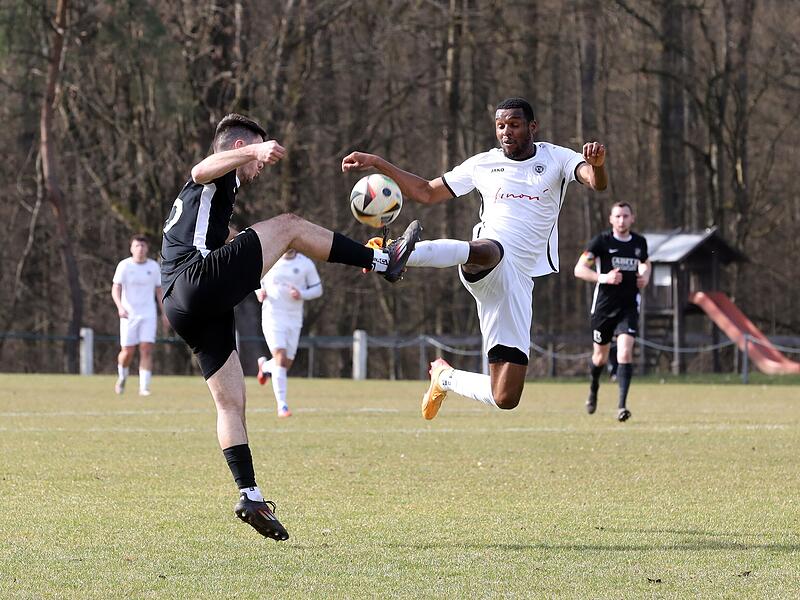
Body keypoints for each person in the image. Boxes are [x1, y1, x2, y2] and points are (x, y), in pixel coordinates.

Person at [161, 113, 421, 542]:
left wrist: (244, 240)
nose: (261, 166)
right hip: (196, 280)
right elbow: (200, 169)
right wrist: (255, 149)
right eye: (256, 155)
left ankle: (250, 495)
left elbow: (222, 236)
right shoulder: (215, 175)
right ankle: (383, 261)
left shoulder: (210, 204)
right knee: (290, 225)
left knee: (231, 404)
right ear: (238, 148)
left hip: (181, 304)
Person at [342, 97, 607, 419]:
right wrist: (377, 162)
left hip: (519, 282)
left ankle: (445, 378)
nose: (506, 132)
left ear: (532, 127)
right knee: (489, 249)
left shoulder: (557, 157)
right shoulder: (482, 164)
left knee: (505, 396)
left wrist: (597, 166)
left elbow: (595, 182)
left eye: (514, 125)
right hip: (486, 259)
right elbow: (426, 192)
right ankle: (395, 254)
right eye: (500, 126)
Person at [573, 201, 650, 421]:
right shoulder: (601, 242)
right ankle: (594, 388)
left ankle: (622, 406)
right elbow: (579, 269)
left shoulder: (639, 242)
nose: (621, 220)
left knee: (625, 352)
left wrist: (645, 275)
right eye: (617, 216)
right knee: (600, 357)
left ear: (632, 218)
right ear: (611, 219)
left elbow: (645, 262)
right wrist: (604, 277)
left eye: (625, 216)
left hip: (628, 307)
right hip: (604, 309)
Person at [255, 249, 322, 418]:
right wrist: (259, 292)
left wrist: (302, 294)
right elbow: (255, 279)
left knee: (285, 364)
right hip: (272, 315)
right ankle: (282, 406)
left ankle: (265, 367)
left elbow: (318, 289)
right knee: (280, 356)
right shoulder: (269, 258)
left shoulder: (305, 263)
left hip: (294, 318)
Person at [111, 234, 169, 396]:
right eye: (137, 246)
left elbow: (159, 291)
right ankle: (122, 375)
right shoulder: (124, 266)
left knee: (146, 349)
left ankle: (144, 387)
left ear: (147, 248)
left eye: (143, 246)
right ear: (131, 248)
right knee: (127, 352)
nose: (140, 249)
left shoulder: (153, 267)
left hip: (148, 314)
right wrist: (120, 307)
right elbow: (116, 289)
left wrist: (164, 313)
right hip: (128, 315)